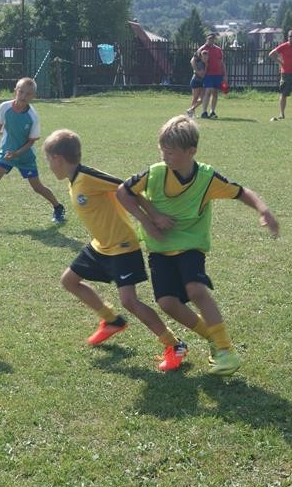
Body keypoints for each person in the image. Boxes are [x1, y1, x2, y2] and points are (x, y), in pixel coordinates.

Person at [116, 115, 279, 376]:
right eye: (162, 150)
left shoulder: (206, 178)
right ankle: (212, 338)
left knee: (196, 290)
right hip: (159, 247)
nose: (165, 157)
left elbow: (241, 192)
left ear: (191, 151)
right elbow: (123, 191)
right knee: (167, 303)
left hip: (191, 244)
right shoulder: (155, 172)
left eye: (171, 152)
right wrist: (149, 219)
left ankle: (226, 351)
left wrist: (263, 210)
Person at [43, 129, 188, 371]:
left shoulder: (87, 177)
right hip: (101, 245)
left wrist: (152, 217)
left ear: (58, 158)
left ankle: (175, 345)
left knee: (129, 301)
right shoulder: (74, 179)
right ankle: (112, 320)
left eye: (48, 160)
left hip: (122, 246)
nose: (48, 166)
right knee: (69, 280)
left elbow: (128, 188)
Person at [0, 77, 65, 228]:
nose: (23, 96)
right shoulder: (4, 107)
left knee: (37, 187)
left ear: (33, 97)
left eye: (28, 94)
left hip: (25, 156)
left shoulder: (33, 116)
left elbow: (31, 141)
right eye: (21, 92)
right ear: (15, 91)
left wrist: (17, 153)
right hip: (6, 152)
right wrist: (0, 132)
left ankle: (58, 207)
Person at [195, 33, 226, 120]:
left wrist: (225, 75)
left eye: (213, 39)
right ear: (206, 39)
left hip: (218, 74)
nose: (211, 40)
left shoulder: (218, 49)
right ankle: (204, 112)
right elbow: (194, 59)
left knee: (215, 93)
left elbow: (222, 63)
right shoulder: (202, 48)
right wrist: (197, 71)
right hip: (208, 74)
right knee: (208, 91)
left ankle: (212, 111)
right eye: (209, 39)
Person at [186, 49, 210, 118]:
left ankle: (191, 110)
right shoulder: (200, 64)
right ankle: (191, 113)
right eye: (204, 57)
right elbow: (202, 75)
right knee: (195, 97)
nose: (205, 59)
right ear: (201, 57)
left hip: (201, 82)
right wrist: (206, 67)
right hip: (196, 81)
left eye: (206, 57)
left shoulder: (205, 64)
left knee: (203, 98)